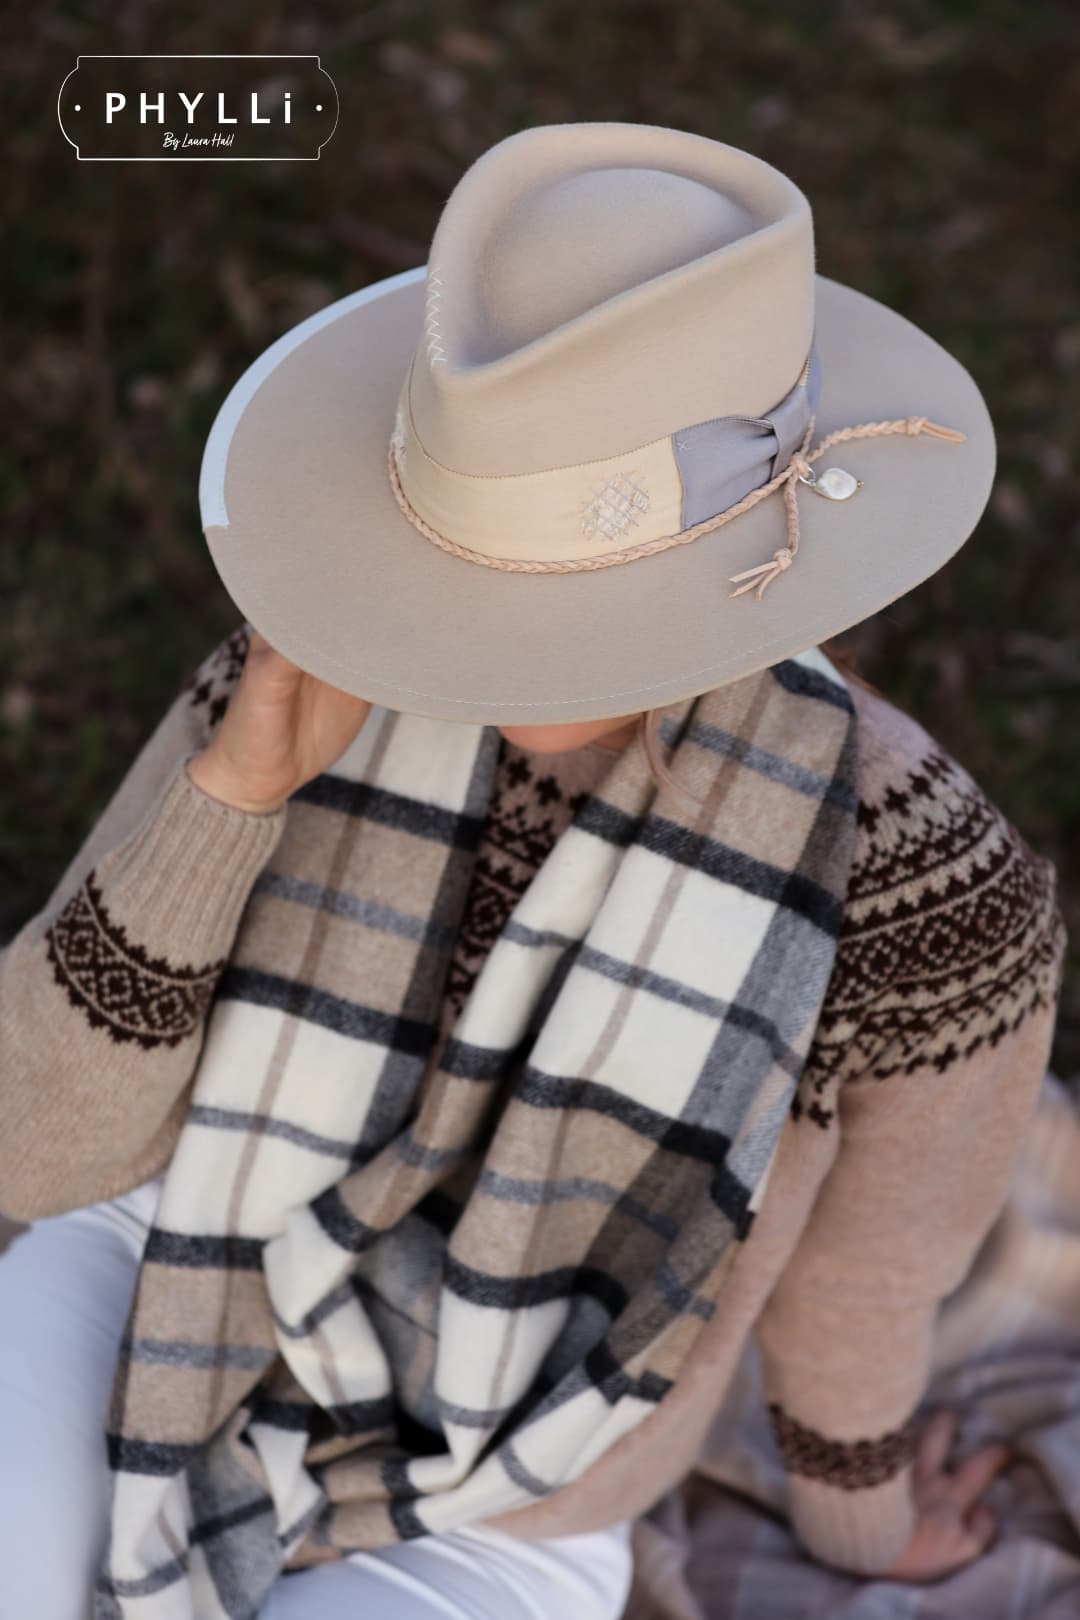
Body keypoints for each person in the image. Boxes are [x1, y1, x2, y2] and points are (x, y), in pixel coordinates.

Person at [0, 122, 1067, 1620]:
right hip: (165, 1262)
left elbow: (872, 1278)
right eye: (474, 560)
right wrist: (227, 800)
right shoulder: (329, 650)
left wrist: (864, 1528)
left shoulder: (925, 891)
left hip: (532, 1470)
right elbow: (30, 1154)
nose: (474, 637)